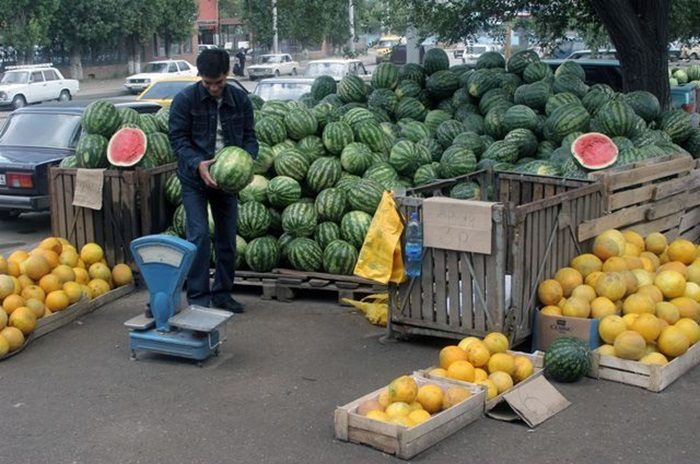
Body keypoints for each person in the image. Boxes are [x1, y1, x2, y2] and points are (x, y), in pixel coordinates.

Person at [169, 49, 258, 313]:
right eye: (208, 83)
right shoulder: (185, 100)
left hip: (228, 181)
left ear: (227, 74)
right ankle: (198, 298)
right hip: (194, 179)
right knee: (198, 236)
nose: (214, 88)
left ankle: (222, 294)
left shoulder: (241, 100)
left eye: (218, 82)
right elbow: (178, 139)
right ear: (200, 77)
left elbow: (250, 137)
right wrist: (198, 163)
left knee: (227, 238)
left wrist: (246, 161)